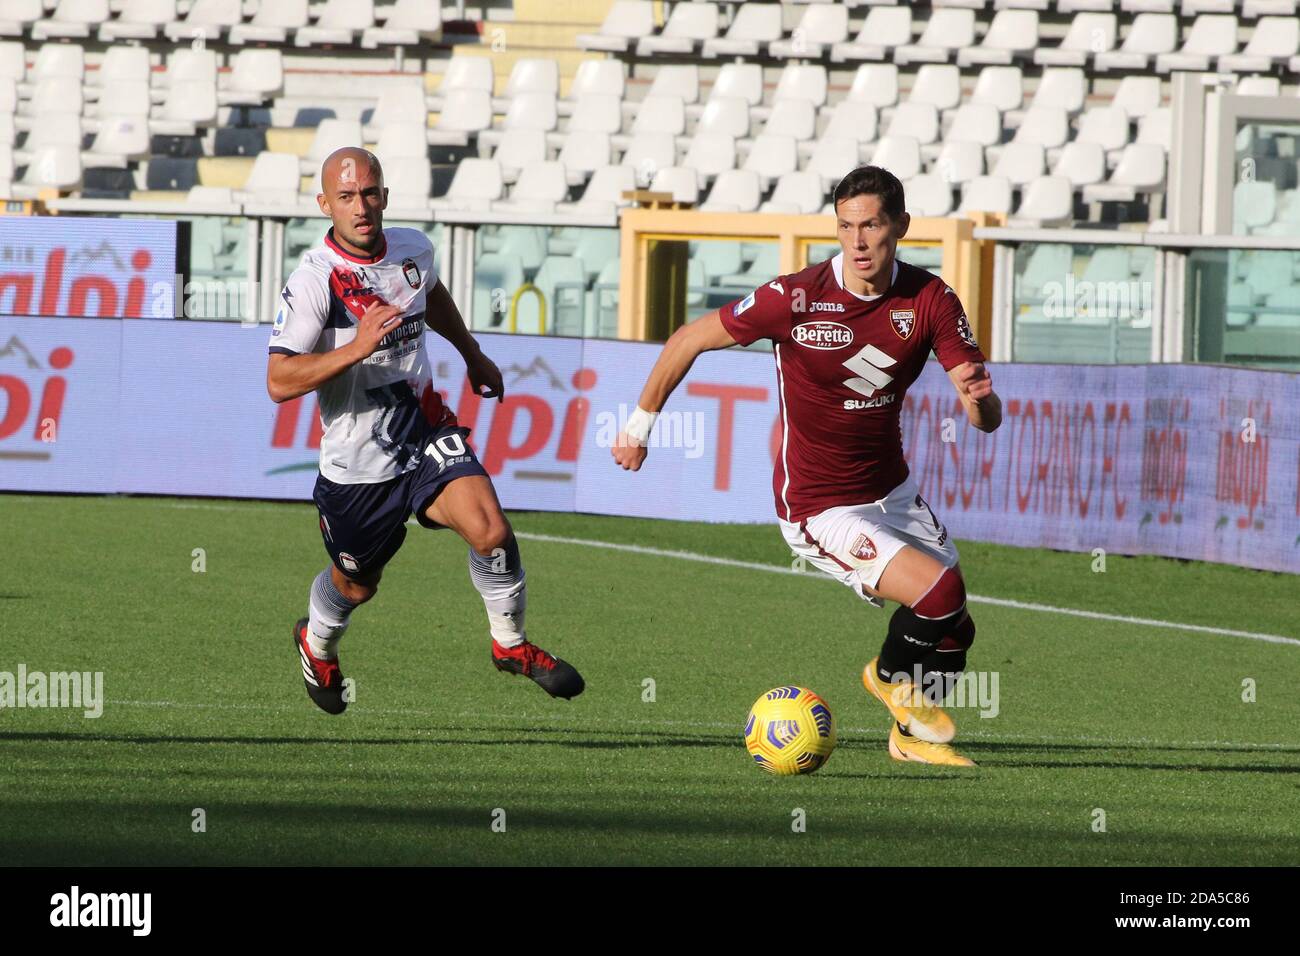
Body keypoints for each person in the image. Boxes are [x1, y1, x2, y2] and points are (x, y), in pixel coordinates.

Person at [612, 166, 999, 765]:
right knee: (939, 592)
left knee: (955, 626)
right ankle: (888, 679)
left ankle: (909, 738)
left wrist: (980, 400)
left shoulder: (930, 299)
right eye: (846, 227)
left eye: (871, 225)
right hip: (819, 504)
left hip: (892, 491)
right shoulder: (794, 297)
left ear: (900, 225)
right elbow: (688, 338)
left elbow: (985, 419)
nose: (858, 242)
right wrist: (639, 426)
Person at [267, 147, 584, 714]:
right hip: (357, 468)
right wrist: (358, 347)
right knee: (358, 585)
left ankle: (509, 646)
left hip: (423, 430)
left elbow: (430, 294)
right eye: (345, 197)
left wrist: (472, 353)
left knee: (490, 530)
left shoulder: (413, 247)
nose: (360, 207)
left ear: (384, 195)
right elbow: (279, 379)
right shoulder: (316, 280)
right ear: (324, 205)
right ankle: (317, 645)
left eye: (369, 193)